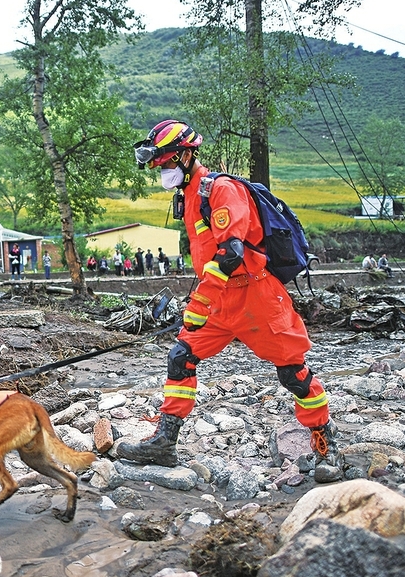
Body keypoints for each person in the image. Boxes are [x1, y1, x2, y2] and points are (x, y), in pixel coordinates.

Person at [118, 119, 338, 469]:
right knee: (180, 358)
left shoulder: (220, 189)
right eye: (159, 166)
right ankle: (165, 442)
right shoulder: (188, 194)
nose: (163, 171)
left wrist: (199, 303)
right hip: (220, 301)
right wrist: (205, 302)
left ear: (187, 155)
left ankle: (326, 448)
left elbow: (231, 253)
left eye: (167, 163)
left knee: (293, 373)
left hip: (255, 296)